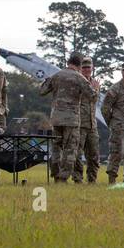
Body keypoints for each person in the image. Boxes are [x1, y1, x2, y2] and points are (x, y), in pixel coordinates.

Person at [39, 52, 93, 183]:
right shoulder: (80, 78)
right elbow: (92, 96)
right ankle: (63, 178)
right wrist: (95, 88)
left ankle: (56, 174)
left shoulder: (57, 75)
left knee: (56, 147)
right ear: (79, 65)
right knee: (70, 149)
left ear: (68, 62)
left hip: (56, 118)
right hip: (71, 119)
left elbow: (42, 91)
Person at [72, 56, 102, 184]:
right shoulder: (76, 82)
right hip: (78, 124)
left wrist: (95, 89)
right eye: (83, 67)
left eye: (88, 67)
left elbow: (95, 101)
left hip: (91, 125)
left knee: (94, 154)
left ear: (92, 68)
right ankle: (78, 179)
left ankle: (92, 180)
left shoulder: (94, 83)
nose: (86, 69)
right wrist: (94, 89)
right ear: (80, 68)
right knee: (77, 154)